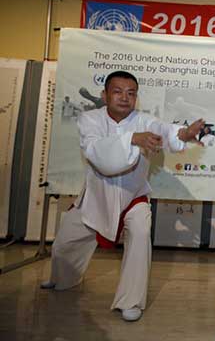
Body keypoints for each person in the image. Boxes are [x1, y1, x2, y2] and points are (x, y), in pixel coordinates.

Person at [41, 71, 206, 322]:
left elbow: (163, 130)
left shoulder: (144, 120)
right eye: (117, 92)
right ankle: (62, 278)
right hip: (95, 196)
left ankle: (131, 302)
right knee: (65, 243)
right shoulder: (89, 119)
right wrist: (132, 140)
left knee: (140, 237)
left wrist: (182, 135)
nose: (124, 98)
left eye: (131, 93)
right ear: (104, 95)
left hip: (134, 197)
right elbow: (99, 154)